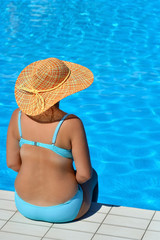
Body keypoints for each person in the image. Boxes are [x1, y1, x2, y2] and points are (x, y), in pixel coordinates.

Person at [6, 57, 98, 223]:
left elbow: (12, 164)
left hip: (23, 204)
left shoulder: (17, 116)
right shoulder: (71, 124)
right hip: (64, 210)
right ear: (64, 90)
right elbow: (84, 175)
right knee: (93, 175)